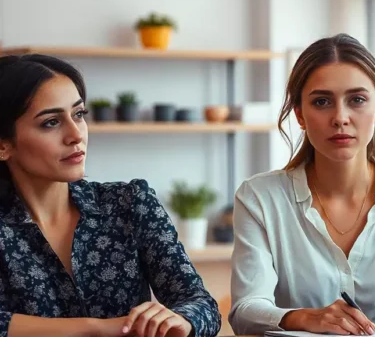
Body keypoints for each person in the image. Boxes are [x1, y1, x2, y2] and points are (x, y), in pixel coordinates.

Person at [228, 33, 375, 336]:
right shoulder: (260, 197)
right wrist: (307, 318)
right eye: (322, 102)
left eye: (357, 100)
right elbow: (245, 311)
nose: (340, 118)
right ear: (299, 115)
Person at [0, 54, 221, 337]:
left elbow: (202, 305)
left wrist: (180, 320)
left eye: (78, 114)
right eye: (51, 122)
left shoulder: (130, 202)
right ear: (4, 145)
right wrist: (97, 328)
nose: (75, 134)